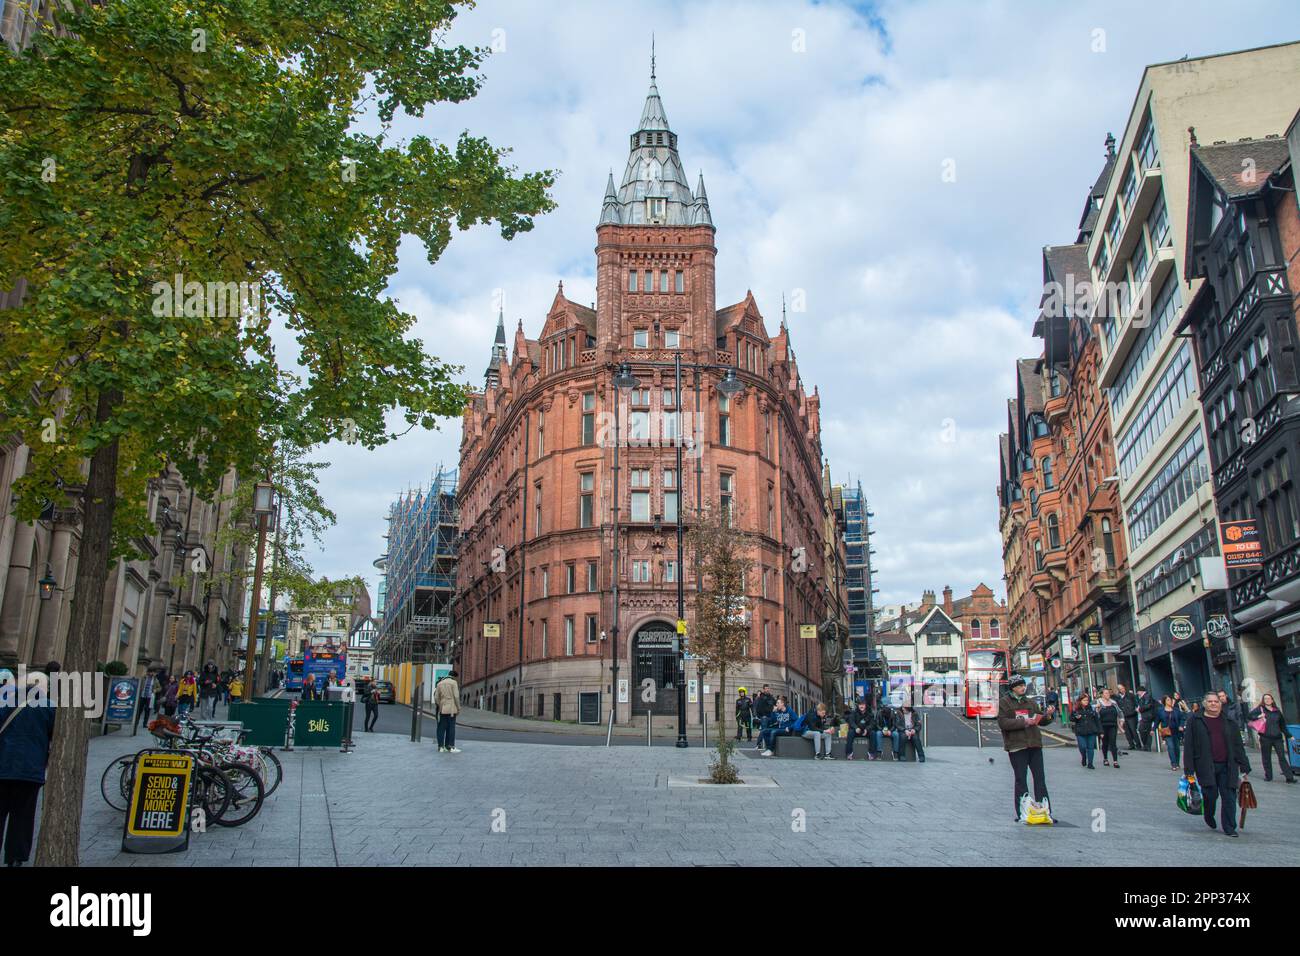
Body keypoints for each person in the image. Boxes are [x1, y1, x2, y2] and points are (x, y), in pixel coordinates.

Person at [0, 671, 56, 866]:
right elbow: (53, 736)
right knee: (23, 816)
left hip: (3, 766)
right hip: (30, 769)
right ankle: (15, 857)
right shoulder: (49, 707)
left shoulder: (5, 703)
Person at [1183, 692, 1251, 838]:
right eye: (1210, 701)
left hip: (1228, 765)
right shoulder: (1195, 720)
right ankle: (1208, 813)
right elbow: (1189, 745)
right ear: (1204, 704)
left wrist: (1244, 766)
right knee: (1210, 794)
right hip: (1205, 765)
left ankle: (1229, 827)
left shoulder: (1229, 721)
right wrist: (1189, 769)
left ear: (1221, 704)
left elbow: (1238, 745)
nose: (1214, 704)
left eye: (1216, 701)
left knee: (1229, 796)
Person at [997, 674, 1055, 822]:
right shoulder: (1005, 703)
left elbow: (1040, 720)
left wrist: (1047, 716)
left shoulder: (1030, 702)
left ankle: (1046, 811)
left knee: (1040, 779)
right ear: (1013, 688)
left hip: (1034, 744)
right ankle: (1022, 812)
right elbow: (1003, 723)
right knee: (1021, 779)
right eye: (1020, 686)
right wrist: (1024, 722)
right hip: (1017, 746)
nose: (1023, 687)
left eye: (1023, 685)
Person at [1247, 693, 1296, 783]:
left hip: (1277, 738)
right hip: (1265, 738)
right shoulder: (1260, 709)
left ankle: (1289, 777)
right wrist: (1258, 716)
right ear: (1263, 700)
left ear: (1272, 700)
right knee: (1266, 757)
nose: (1267, 700)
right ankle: (1268, 776)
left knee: (1282, 757)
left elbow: (1282, 725)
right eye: (1265, 699)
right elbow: (1249, 716)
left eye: (1269, 698)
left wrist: (1289, 735)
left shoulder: (1277, 711)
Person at [1070, 691, 1101, 769]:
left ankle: (1090, 763)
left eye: (1087, 700)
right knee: (1083, 747)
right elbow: (1071, 718)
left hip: (1091, 731)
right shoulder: (1076, 710)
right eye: (1084, 700)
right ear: (1080, 701)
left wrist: (1100, 731)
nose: (1086, 702)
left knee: (1090, 748)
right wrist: (1076, 718)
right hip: (1080, 731)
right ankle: (1084, 757)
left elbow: (1097, 720)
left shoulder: (1091, 709)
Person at [1155, 694, 1186, 771]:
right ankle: (1173, 764)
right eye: (1168, 700)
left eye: (1171, 700)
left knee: (1177, 748)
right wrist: (1153, 729)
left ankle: (1177, 763)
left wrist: (1181, 726)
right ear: (1164, 701)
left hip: (1176, 731)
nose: (1170, 701)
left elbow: (1182, 718)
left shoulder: (1176, 710)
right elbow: (1157, 721)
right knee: (1171, 747)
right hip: (1167, 732)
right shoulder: (1161, 711)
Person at [434, 670, 461, 753]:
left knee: (441, 728)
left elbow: (436, 698)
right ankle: (450, 746)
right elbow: (456, 696)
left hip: (442, 709)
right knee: (451, 727)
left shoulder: (440, 683)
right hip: (452, 708)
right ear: (455, 677)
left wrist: (441, 704)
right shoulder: (453, 683)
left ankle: (441, 747)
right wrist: (458, 707)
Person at [1096, 687, 1121, 768]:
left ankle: (1115, 761)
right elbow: (1093, 711)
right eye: (1106, 693)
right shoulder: (1098, 702)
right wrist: (1096, 707)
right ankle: (1105, 759)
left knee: (1113, 742)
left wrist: (1122, 721)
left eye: (1108, 693)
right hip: (1103, 726)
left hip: (1113, 725)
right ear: (1102, 695)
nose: (1108, 694)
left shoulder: (1113, 702)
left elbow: (1119, 712)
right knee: (1105, 743)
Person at [1114, 682, 1139, 753]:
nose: (1122, 690)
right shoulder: (1117, 697)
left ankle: (1138, 744)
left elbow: (1136, 703)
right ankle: (1131, 744)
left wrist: (1135, 709)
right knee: (1127, 731)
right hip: (1124, 716)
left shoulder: (1130, 695)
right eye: (1120, 689)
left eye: (1122, 688)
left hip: (1131, 715)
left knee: (1133, 730)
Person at [1135, 686, 1156, 752]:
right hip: (1145, 716)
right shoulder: (1142, 697)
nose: (1137, 693)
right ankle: (1146, 745)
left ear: (1141, 691)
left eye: (1138, 691)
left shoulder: (1147, 696)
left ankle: (1147, 745)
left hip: (1147, 717)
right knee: (1144, 731)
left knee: (1144, 730)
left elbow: (1148, 705)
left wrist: (1140, 709)